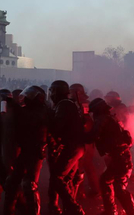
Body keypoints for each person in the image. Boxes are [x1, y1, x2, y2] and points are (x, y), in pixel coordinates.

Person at [86, 98, 134, 215]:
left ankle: (132, 212)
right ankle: (111, 211)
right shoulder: (111, 119)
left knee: (119, 188)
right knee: (106, 181)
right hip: (119, 157)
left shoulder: (102, 119)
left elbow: (92, 136)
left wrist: (79, 134)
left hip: (119, 157)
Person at [3, 86, 49, 215]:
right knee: (12, 182)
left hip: (35, 152)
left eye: (28, 98)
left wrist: (14, 107)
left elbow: (29, 119)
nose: (25, 100)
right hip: (25, 151)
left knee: (30, 185)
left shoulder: (41, 112)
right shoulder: (29, 110)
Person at [48, 80, 86, 215]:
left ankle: (74, 208)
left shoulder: (64, 105)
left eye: (52, 91)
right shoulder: (68, 104)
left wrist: (47, 121)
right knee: (67, 179)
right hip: (75, 146)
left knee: (58, 178)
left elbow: (57, 128)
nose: (51, 94)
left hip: (72, 146)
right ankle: (68, 210)